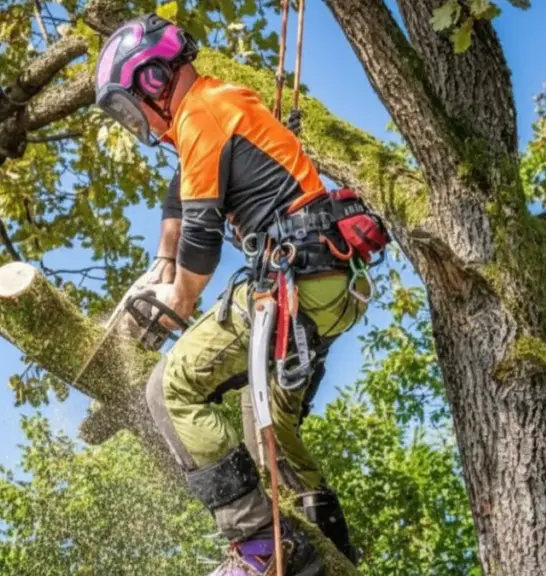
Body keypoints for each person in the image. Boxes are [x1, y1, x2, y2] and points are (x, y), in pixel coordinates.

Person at [94, 13, 389, 576]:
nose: (140, 124)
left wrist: (177, 301)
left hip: (291, 278)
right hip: (325, 284)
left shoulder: (199, 112)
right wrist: (162, 259)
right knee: (267, 430)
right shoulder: (216, 107)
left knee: (170, 387)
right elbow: (183, 190)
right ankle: (331, 554)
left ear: (154, 80)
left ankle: (259, 546)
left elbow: (202, 237)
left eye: (132, 106)